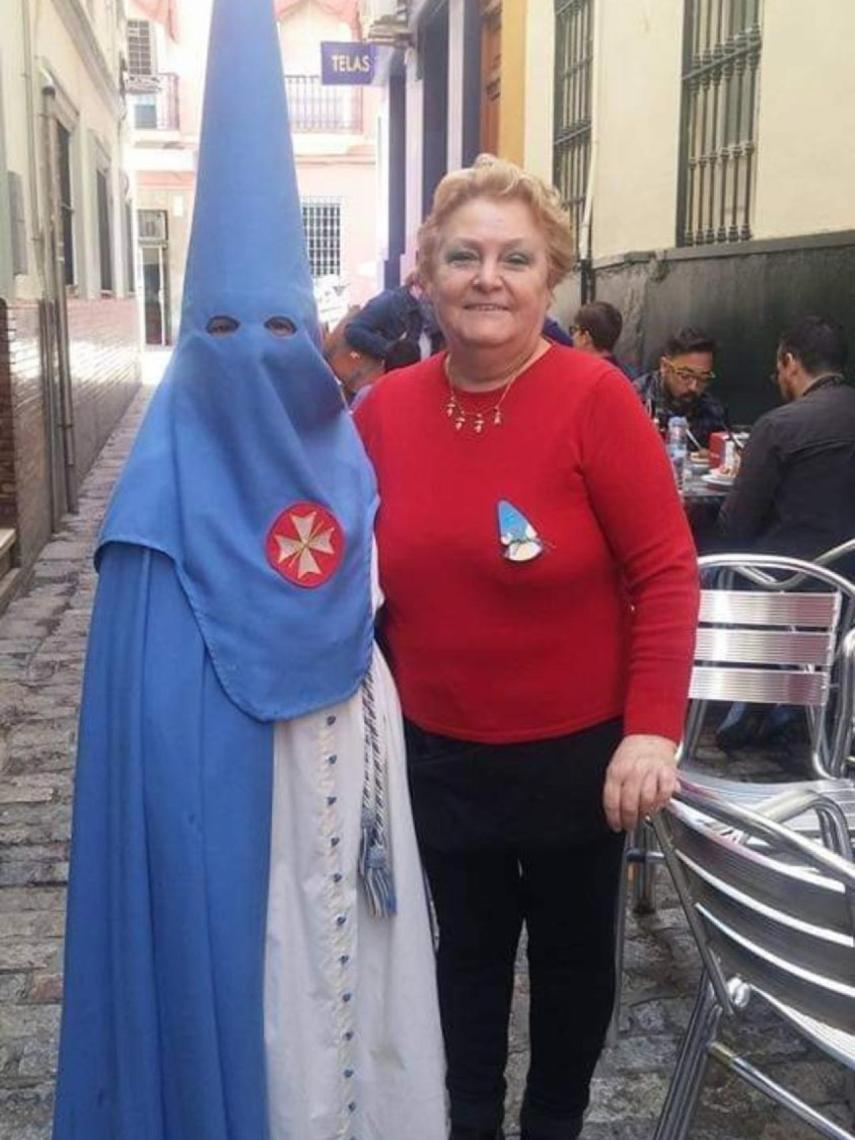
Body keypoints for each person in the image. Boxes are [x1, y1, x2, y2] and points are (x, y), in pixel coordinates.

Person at [52, 1, 447, 1138]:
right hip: (228, 805)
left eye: (281, 332)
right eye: (223, 332)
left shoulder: (345, 452)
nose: (256, 360)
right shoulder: (154, 506)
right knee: (238, 975)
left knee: (351, 988)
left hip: (349, 778)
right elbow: (147, 731)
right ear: (189, 341)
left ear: (312, 338)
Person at [354, 155, 699, 1140]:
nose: (488, 278)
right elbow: (341, 579)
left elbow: (666, 572)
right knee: (457, 961)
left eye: (515, 258)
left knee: (571, 968)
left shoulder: (595, 398)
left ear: (551, 277)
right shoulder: (382, 412)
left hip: (577, 760)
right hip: (435, 753)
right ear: (427, 275)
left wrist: (650, 731)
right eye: (463, 256)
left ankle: (552, 1123)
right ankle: (465, 1121)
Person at [715, 316, 855, 752]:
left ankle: (747, 698)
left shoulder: (778, 426)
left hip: (793, 588)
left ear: (790, 362)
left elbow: (735, 526)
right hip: (849, 588)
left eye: (778, 367)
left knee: (712, 570)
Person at [632, 327, 726, 446]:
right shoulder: (636, 400)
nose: (693, 387)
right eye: (685, 376)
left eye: (703, 378)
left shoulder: (713, 411)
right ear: (664, 366)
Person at [345, 271, 443, 364]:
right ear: (417, 285)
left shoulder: (428, 311)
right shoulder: (390, 301)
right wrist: (392, 350)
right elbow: (353, 330)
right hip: (388, 370)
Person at [570, 300, 634, 377]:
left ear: (585, 337)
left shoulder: (582, 376)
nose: (572, 337)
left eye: (574, 330)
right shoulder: (626, 374)